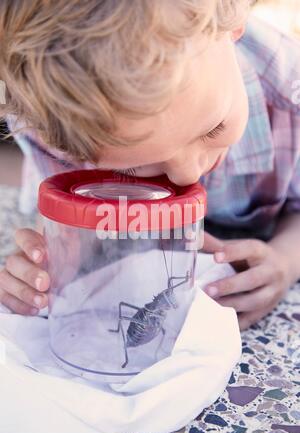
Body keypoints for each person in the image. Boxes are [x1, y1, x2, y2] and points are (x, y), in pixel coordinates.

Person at [0, 0, 300, 330]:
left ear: (234, 25)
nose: (189, 173)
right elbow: (78, 242)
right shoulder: (57, 120)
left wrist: (284, 259)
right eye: (133, 168)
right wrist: (48, 267)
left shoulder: (290, 91)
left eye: (214, 128)